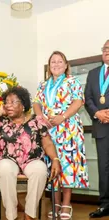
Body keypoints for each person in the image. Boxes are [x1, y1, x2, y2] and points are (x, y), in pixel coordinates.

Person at [0, 86, 61, 220]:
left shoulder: (37, 121)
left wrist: (55, 159)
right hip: (7, 159)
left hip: (32, 160)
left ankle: (29, 215)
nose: (8, 105)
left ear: (23, 105)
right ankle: (11, 216)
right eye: (6, 102)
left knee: (40, 170)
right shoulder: (2, 122)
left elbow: (48, 143)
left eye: (13, 102)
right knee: (4, 169)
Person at [33, 51, 89, 219]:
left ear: (66, 65)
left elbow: (78, 101)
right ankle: (55, 203)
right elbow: (36, 103)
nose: (56, 64)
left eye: (59, 62)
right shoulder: (43, 85)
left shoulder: (73, 81)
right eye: (52, 62)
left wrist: (62, 117)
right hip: (49, 131)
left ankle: (66, 204)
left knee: (68, 166)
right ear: (49, 67)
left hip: (68, 128)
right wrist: (40, 117)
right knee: (52, 165)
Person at [85, 40, 109, 218]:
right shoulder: (93, 74)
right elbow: (88, 99)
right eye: (105, 49)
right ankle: (105, 205)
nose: (107, 51)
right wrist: (97, 114)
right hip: (101, 126)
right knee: (104, 167)